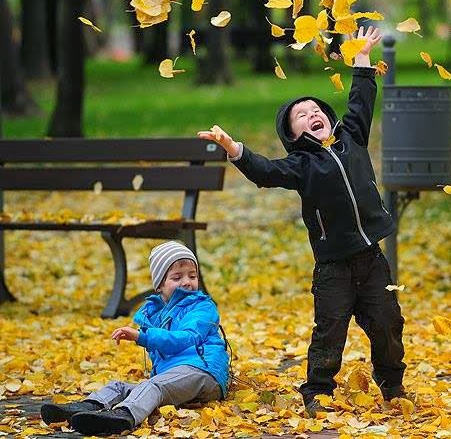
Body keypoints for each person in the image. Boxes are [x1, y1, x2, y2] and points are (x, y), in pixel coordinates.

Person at [198, 26, 406, 418]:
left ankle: (392, 384)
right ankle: (318, 391)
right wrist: (234, 149)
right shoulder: (301, 165)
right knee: (330, 331)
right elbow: (265, 171)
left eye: (316, 111)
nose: (312, 115)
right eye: (301, 115)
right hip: (334, 268)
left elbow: (361, 102)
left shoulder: (352, 139)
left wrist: (361, 59)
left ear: (327, 120)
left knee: (388, 324)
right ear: (294, 133)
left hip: (372, 259)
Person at [40, 241, 229, 435]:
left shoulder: (203, 307)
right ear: (159, 285)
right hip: (175, 376)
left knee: (153, 386)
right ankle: (85, 408)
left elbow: (186, 338)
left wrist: (142, 336)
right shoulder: (155, 313)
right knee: (119, 386)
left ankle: (124, 416)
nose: (187, 282)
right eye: (177, 277)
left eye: (192, 275)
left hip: (204, 372)